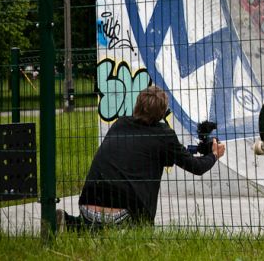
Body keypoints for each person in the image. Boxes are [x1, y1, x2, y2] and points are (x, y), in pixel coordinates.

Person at [56, 86, 225, 230]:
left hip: (86, 206)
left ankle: (72, 223)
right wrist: (214, 155)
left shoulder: (119, 124)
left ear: (137, 105)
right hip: (123, 215)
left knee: (95, 225)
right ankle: (88, 225)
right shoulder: (164, 135)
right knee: (125, 225)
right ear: (162, 112)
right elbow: (196, 167)